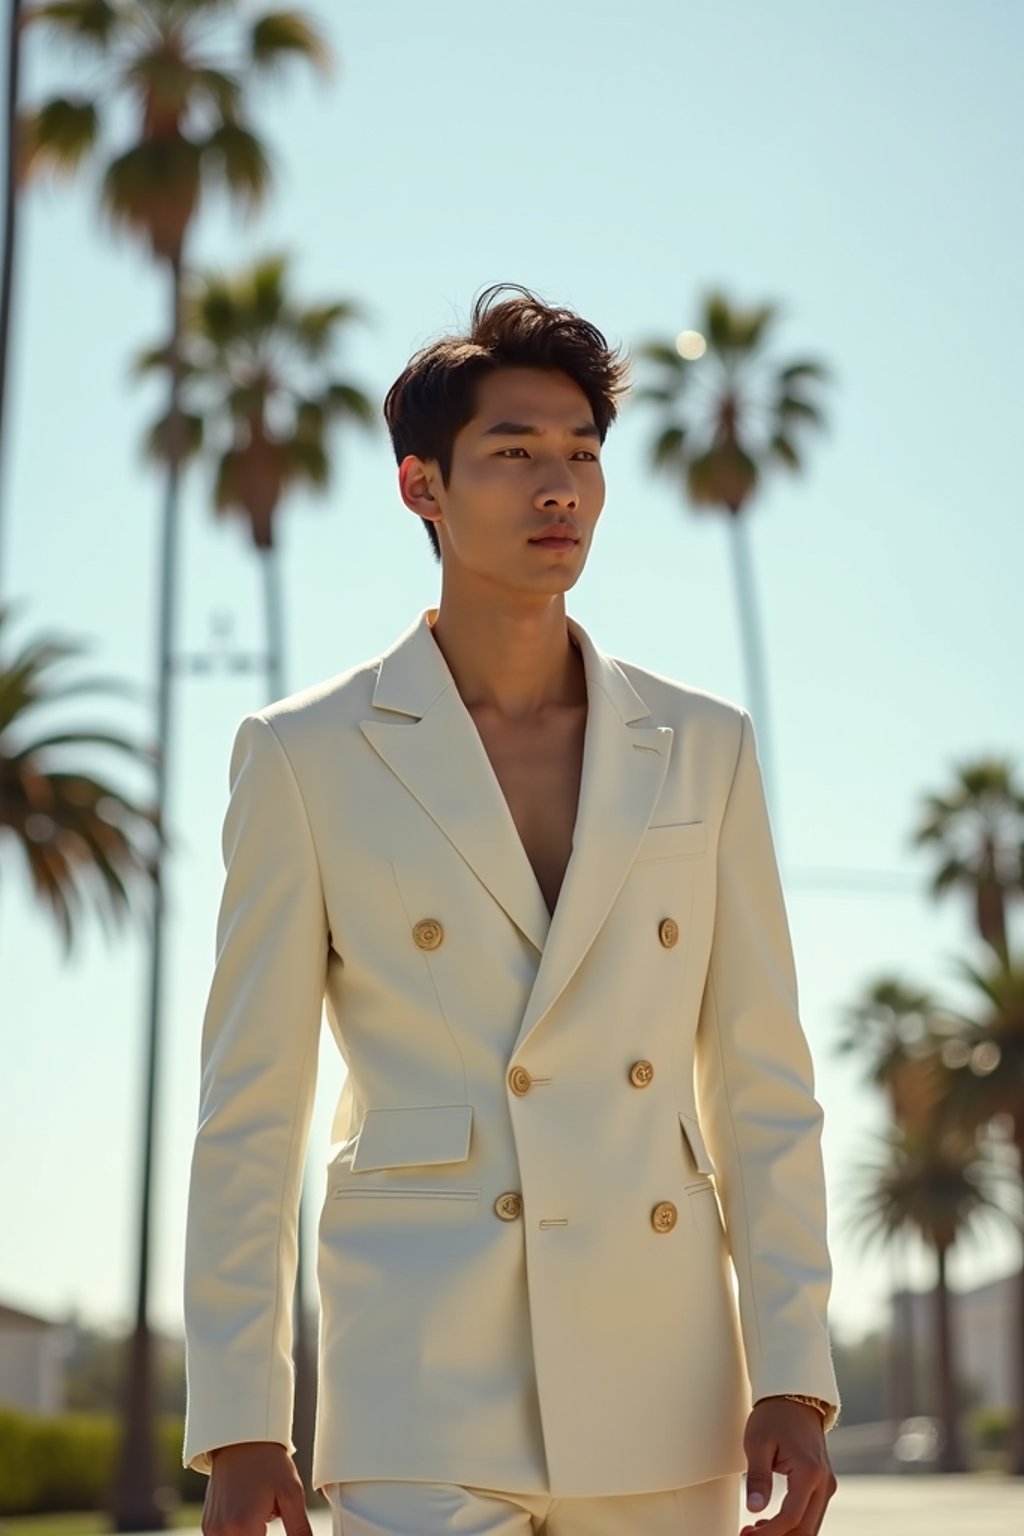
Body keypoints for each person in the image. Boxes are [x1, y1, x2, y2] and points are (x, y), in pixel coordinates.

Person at [182, 283, 840, 1536]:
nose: (561, 490)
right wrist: (242, 1420)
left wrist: (794, 1372)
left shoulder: (702, 746)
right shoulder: (304, 753)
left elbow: (761, 1080)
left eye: (584, 456)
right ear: (421, 488)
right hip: (419, 1374)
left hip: (664, 1379)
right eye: (515, 453)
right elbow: (249, 1107)